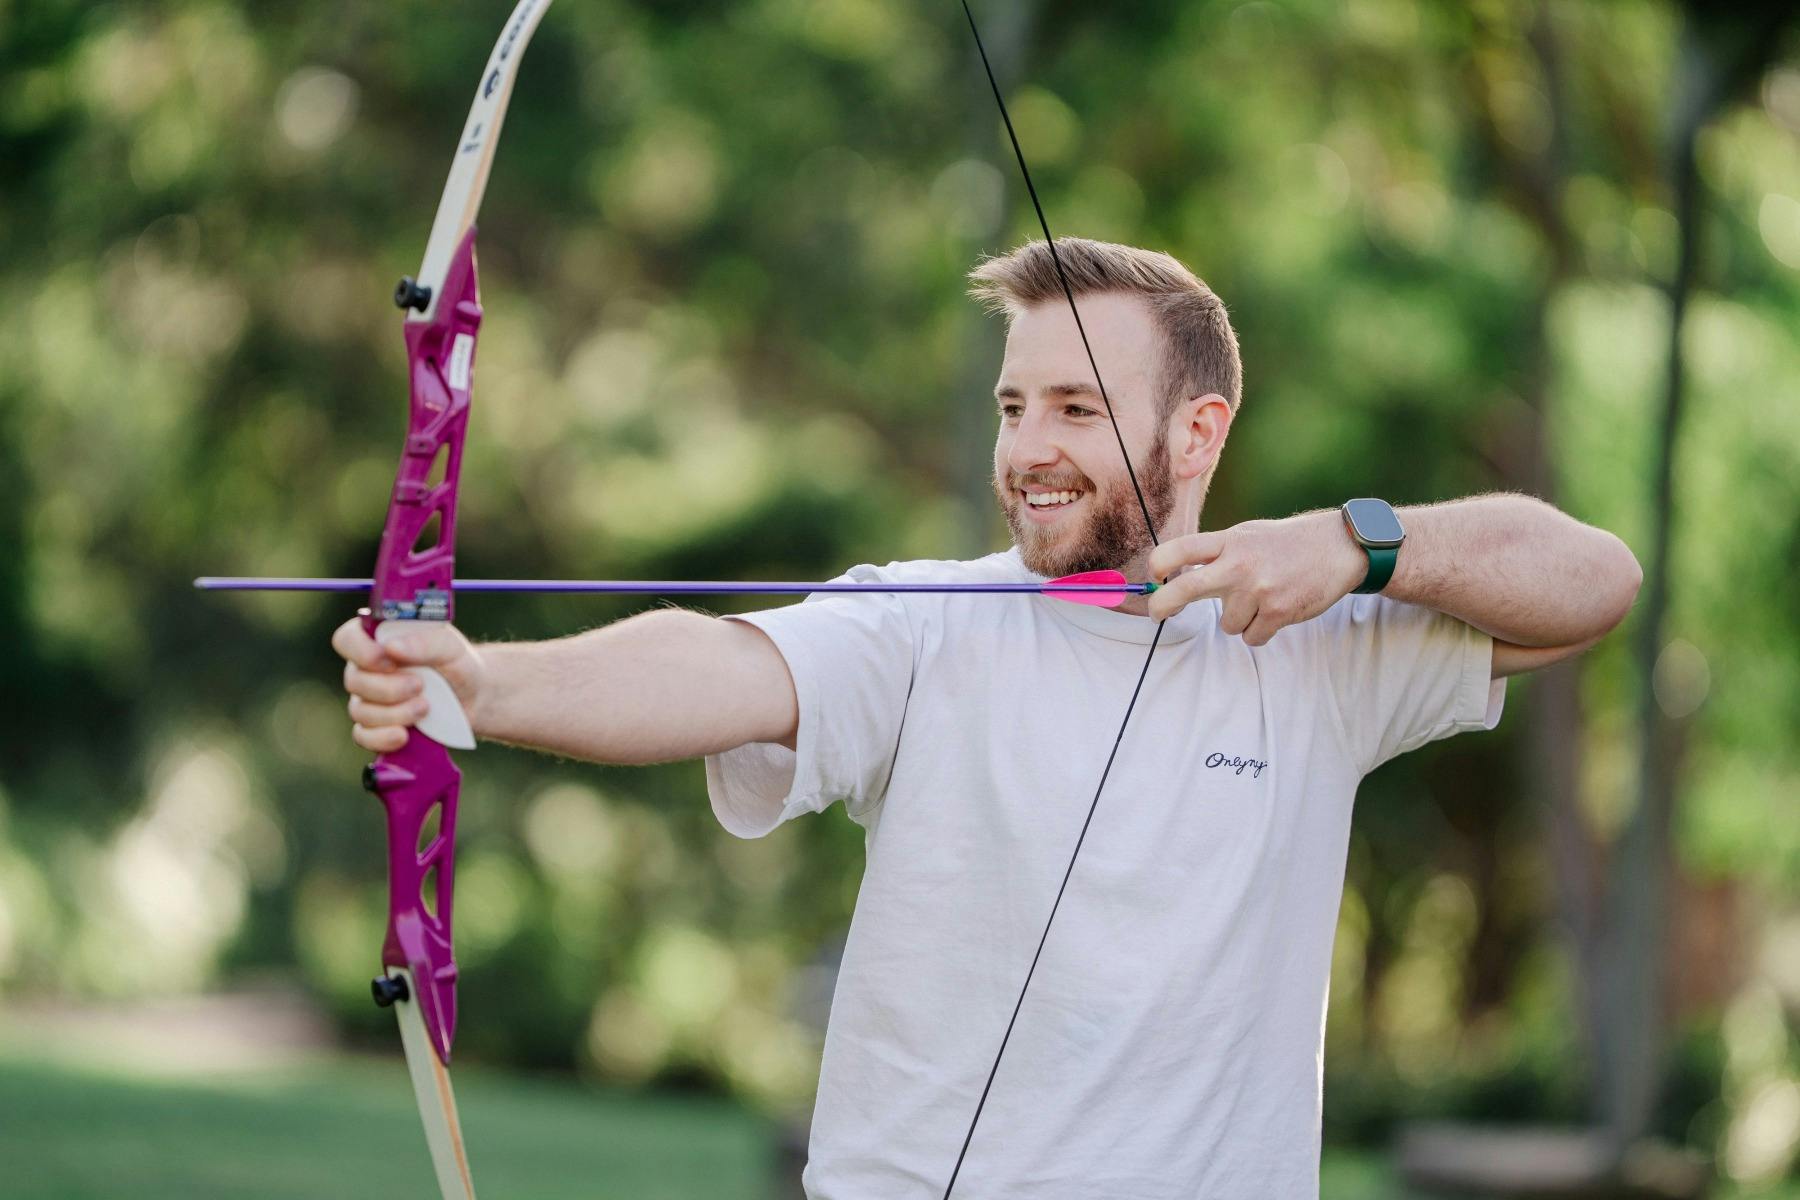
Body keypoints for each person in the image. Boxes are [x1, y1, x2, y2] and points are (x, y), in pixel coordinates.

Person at [334, 238, 1642, 1199]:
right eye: (1015, 405)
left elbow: (1595, 582)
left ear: (1198, 433)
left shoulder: (1313, 642)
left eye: (1076, 407)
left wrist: (1354, 546)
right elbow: (712, 666)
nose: (1029, 447)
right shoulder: (921, 622)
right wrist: (478, 687)